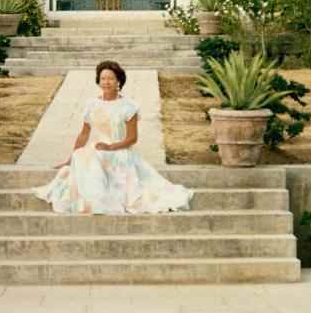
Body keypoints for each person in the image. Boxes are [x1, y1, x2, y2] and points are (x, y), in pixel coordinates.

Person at [32, 60, 193, 214]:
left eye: (110, 78)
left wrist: (111, 147)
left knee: (98, 157)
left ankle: (101, 202)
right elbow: (84, 134)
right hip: (98, 147)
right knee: (83, 156)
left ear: (118, 81)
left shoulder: (129, 107)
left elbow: (132, 138)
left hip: (120, 149)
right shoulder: (91, 104)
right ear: (98, 81)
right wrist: (70, 158)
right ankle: (93, 201)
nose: (106, 82)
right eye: (103, 78)